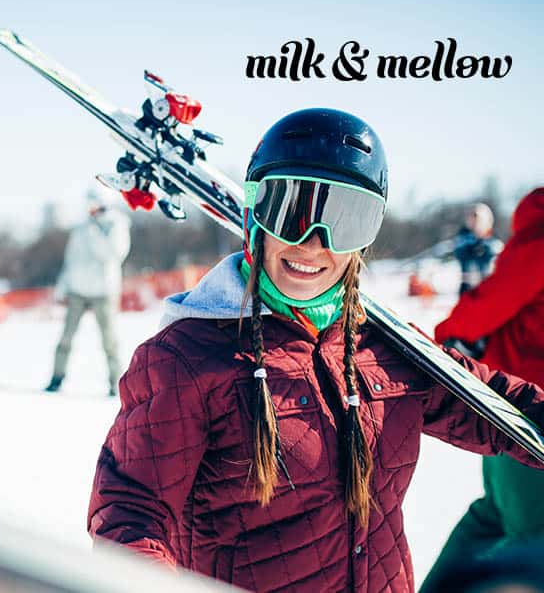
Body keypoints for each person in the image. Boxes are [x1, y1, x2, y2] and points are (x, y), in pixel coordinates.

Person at [86, 108, 544, 592]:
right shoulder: (187, 358)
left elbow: (494, 403)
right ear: (254, 214)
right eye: (292, 212)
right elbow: (128, 514)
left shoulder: (385, 347)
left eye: (345, 222)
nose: (313, 244)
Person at [421, 187, 544, 592]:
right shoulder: (539, 240)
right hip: (525, 413)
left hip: (518, 411)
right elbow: (491, 301)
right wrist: (449, 337)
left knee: (493, 517)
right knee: (530, 531)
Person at [45, 186, 130, 396]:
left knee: (109, 340)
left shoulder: (116, 224)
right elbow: (71, 260)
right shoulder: (81, 228)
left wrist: (95, 234)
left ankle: (115, 383)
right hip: (77, 290)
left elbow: (114, 254)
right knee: (66, 338)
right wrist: (62, 287)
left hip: (104, 291)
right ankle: (57, 378)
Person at [453, 202, 504, 294]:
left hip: (488, 286)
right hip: (468, 287)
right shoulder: (463, 239)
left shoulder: (494, 242)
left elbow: (498, 257)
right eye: (472, 218)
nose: (474, 222)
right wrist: (471, 249)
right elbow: (459, 253)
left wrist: (484, 248)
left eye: (478, 219)